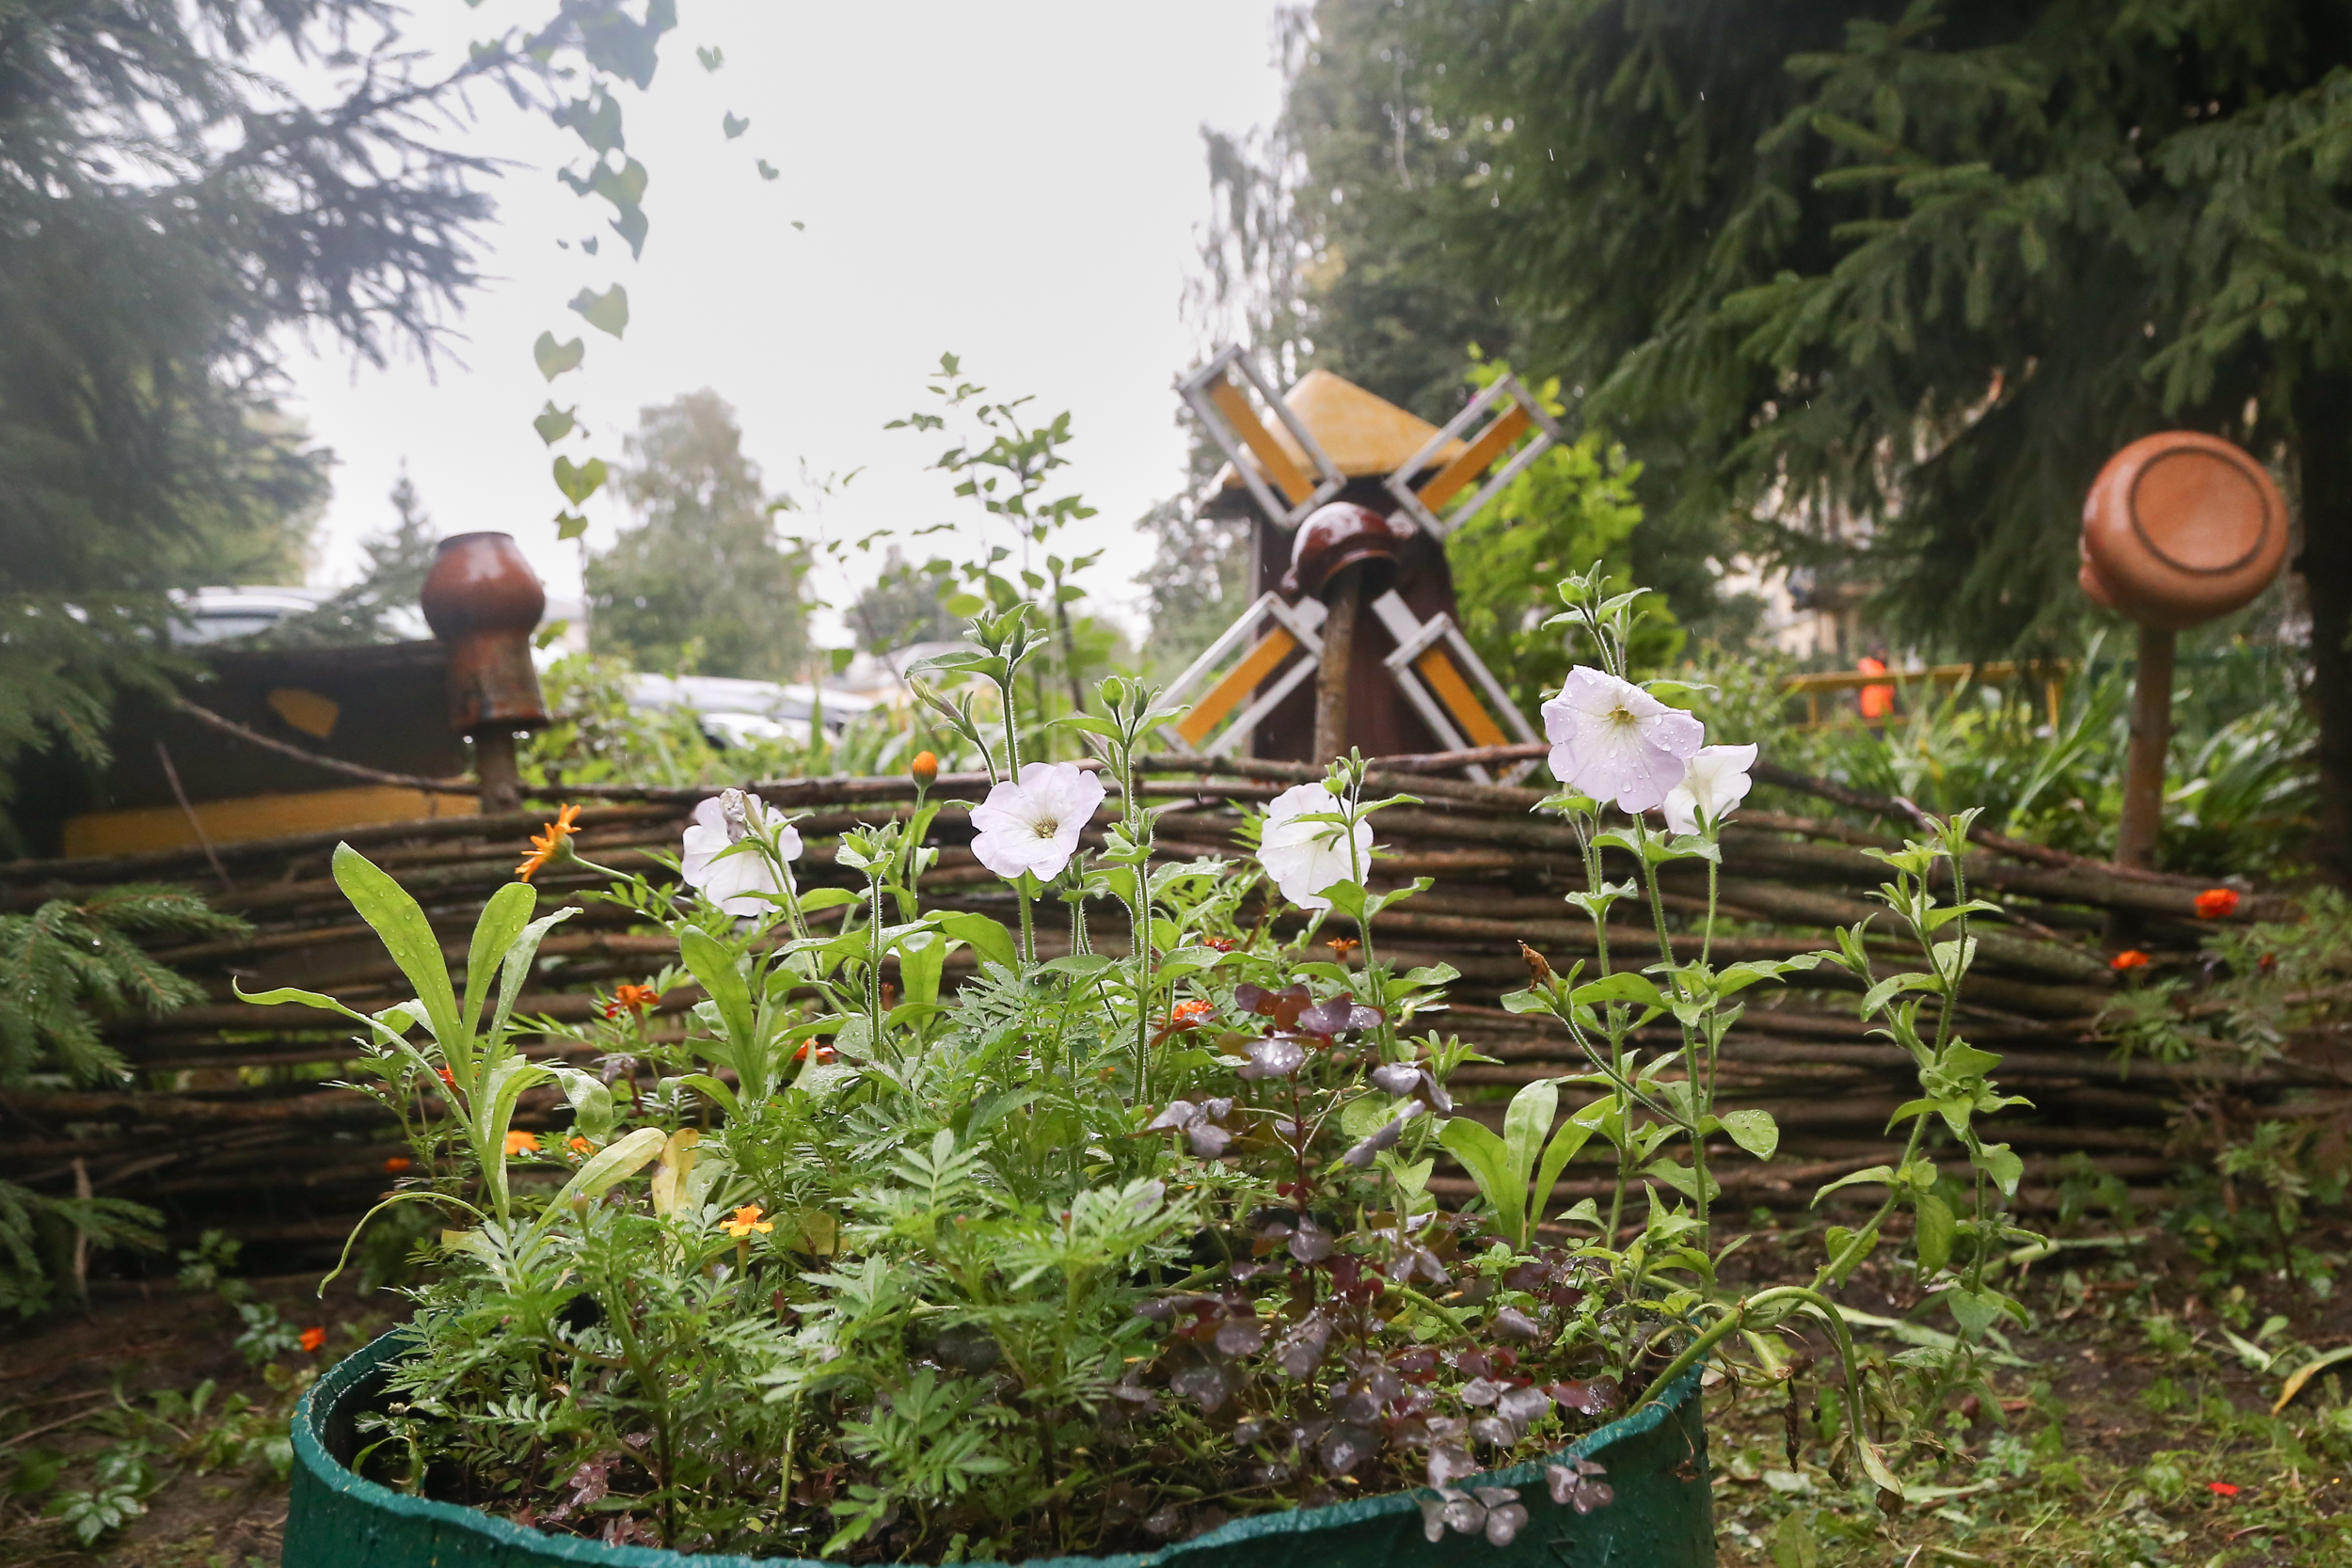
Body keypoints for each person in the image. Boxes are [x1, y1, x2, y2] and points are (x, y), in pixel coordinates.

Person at [1857, 647, 1895, 725]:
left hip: (1886, 708)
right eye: (1880, 652)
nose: (1883, 655)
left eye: (1884, 652)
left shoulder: (1883, 666)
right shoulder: (1867, 664)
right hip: (1872, 709)